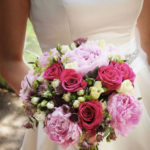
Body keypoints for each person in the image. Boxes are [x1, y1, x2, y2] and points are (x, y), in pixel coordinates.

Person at [0, 0, 150, 150]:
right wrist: (50, 105)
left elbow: (148, 44)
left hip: (139, 96)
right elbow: (8, 61)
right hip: (67, 113)